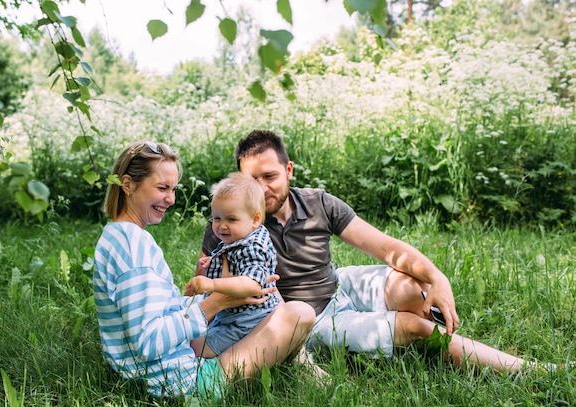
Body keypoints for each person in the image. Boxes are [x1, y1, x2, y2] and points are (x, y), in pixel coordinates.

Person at [198, 129, 552, 373]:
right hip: (311, 316)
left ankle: (429, 345)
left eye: (270, 176)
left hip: (339, 285)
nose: (261, 188)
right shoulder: (228, 226)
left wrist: (437, 278)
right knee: (415, 326)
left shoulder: (319, 203)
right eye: (252, 180)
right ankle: (529, 369)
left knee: (413, 288)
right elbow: (211, 297)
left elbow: (385, 247)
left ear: (288, 170)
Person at [93, 140, 315, 401]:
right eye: (162, 188)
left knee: (271, 307)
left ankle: (304, 366)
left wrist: (194, 298)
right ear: (128, 185)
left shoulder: (118, 236)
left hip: (160, 372)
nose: (171, 199)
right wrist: (218, 302)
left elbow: (151, 317)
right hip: (182, 382)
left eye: (173, 189)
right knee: (299, 313)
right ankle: (304, 367)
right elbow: (148, 342)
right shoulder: (132, 246)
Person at [185, 172, 280, 358]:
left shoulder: (252, 246)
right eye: (217, 218)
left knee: (195, 348)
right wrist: (215, 263)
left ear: (255, 219)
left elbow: (251, 283)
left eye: (231, 219)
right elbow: (239, 265)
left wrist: (212, 284)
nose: (221, 226)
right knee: (192, 336)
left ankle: (223, 368)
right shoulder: (241, 238)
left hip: (246, 322)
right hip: (234, 316)